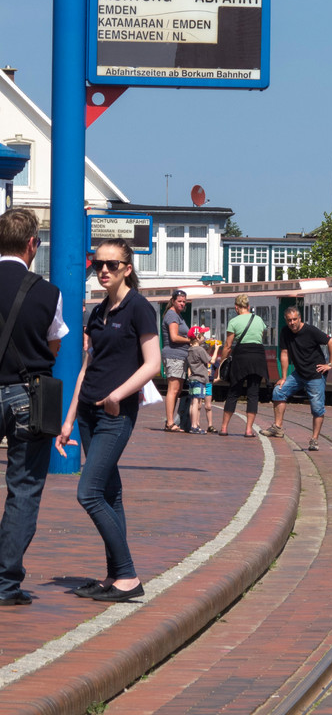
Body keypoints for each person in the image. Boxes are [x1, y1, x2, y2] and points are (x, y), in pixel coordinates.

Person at [56, 238, 161, 602]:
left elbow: (153, 364)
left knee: (89, 492)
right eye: (98, 263)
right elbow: (87, 368)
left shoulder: (139, 308)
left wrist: (118, 395)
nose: (103, 270)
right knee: (110, 494)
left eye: (112, 264)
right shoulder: (98, 312)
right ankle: (115, 575)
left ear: (127, 269)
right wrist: (68, 419)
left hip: (115, 414)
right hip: (86, 413)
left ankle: (128, 576)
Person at [0, 209, 69, 606]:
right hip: (29, 395)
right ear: (32, 244)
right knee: (23, 489)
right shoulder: (47, 292)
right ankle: (5, 584)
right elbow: (54, 343)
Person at [262, 307, 332, 452]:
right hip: (299, 374)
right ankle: (277, 427)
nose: (292, 323)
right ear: (286, 321)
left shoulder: (311, 331)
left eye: (294, 319)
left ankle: (314, 440)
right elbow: (284, 353)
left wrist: (330, 364)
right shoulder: (285, 332)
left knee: (317, 407)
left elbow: (331, 342)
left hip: (315, 374)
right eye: (289, 320)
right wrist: (283, 377)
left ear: (300, 319)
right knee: (278, 391)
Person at [217, 295, 267, 438]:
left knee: (233, 392)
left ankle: (224, 427)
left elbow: (228, 345)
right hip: (257, 357)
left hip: (241, 357)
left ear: (236, 307)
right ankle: (249, 430)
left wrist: (222, 363)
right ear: (249, 306)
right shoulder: (259, 320)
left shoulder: (233, 321)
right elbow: (260, 335)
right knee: (253, 394)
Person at [161, 289, 189, 432]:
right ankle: (170, 422)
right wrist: (190, 340)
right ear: (173, 301)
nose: (182, 304)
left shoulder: (178, 315)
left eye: (184, 301)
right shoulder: (172, 315)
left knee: (177, 389)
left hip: (181, 356)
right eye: (180, 301)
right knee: (173, 389)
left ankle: (171, 421)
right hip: (174, 355)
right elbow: (174, 337)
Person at [186, 325, 213, 435]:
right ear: (197, 337)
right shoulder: (200, 349)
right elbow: (210, 360)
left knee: (193, 402)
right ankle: (194, 426)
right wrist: (215, 349)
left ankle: (192, 425)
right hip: (199, 379)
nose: (204, 338)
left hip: (192, 379)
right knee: (196, 402)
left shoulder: (190, 350)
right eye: (202, 335)